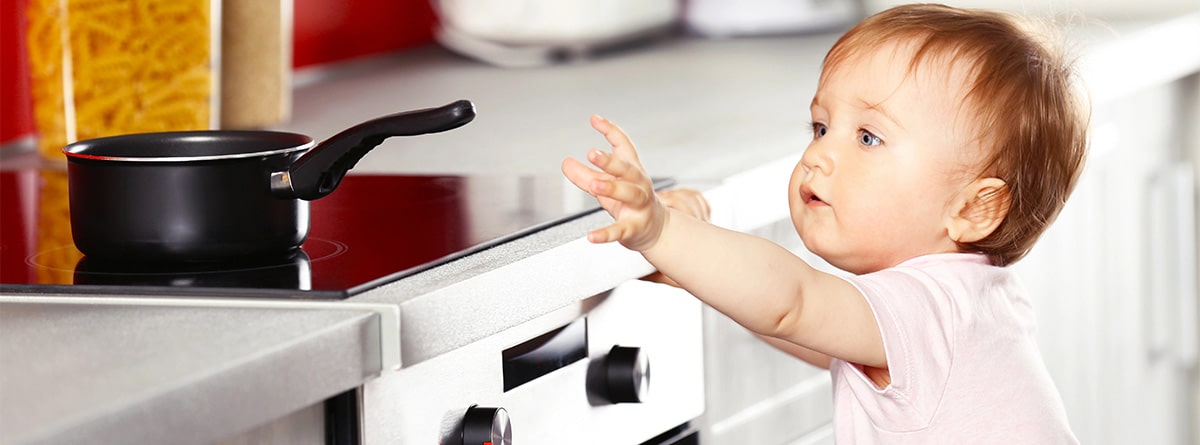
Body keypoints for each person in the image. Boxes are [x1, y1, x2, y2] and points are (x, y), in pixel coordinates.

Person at [562, 3, 1088, 443]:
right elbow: (819, 332)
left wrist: (663, 233)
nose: (818, 156)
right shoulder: (970, 298)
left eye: (868, 138)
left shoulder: (928, 307)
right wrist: (694, 268)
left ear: (973, 209)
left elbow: (792, 303)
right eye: (820, 126)